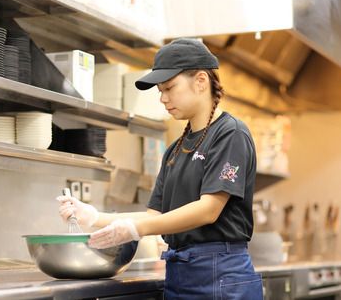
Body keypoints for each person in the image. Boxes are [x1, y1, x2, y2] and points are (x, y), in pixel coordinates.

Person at [59, 38, 263, 300]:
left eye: (169, 88)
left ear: (201, 81)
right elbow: (154, 216)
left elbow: (208, 210)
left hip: (221, 276)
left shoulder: (230, 134)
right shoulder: (175, 150)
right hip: (180, 275)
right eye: (160, 91)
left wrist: (137, 230)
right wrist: (94, 217)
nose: (163, 98)